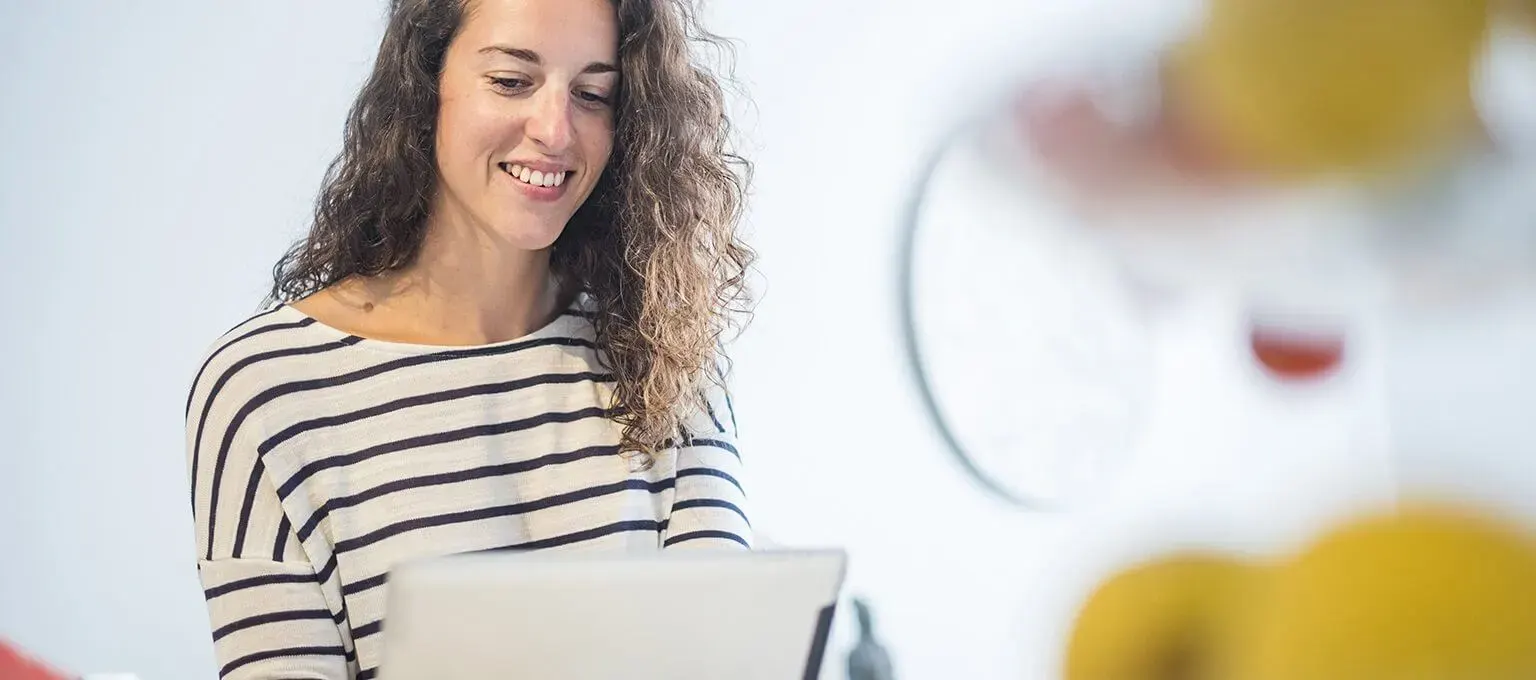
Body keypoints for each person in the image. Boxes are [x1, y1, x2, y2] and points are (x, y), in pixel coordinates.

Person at [184, 0, 755, 677]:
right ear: (426, 85)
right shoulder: (266, 387)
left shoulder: (663, 349)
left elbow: (727, 655)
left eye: (593, 94)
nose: (554, 129)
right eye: (511, 81)